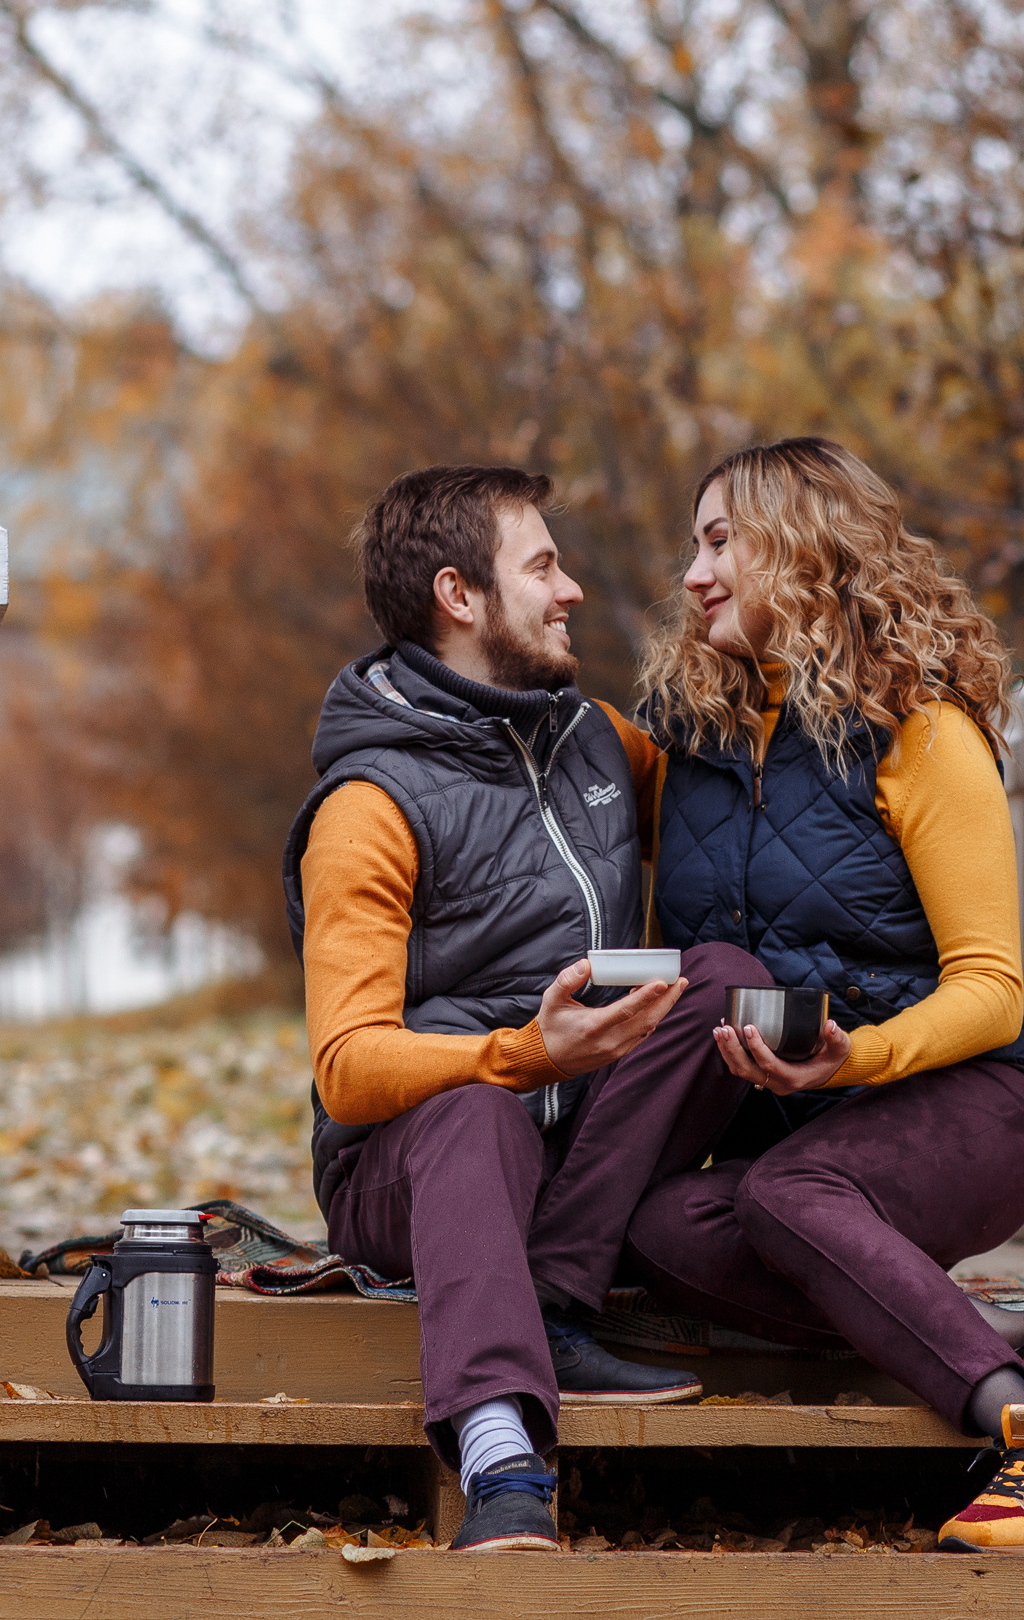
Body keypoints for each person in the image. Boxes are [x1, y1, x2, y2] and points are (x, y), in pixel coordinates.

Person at [623, 437, 1024, 1557]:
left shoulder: (921, 731)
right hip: (803, 1126)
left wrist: (859, 1056)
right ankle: (1023, 1335)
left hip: (968, 1103)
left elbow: (991, 988)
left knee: (788, 1194)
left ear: (809, 547)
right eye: (694, 546)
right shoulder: (686, 746)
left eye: (720, 540)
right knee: (659, 1226)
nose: (692, 574)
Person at [282, 464, 764, 1552]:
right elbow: (348, 1065)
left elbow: (735, 801)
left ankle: (554, 1299)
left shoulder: (589, 736)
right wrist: (521, 1053)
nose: (571, 589)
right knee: (474, 1110)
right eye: (541, 564)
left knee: (723, 974)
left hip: (573, 1165)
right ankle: (503, 1458)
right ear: (460, 595)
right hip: (413, 1169)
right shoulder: (369, 807)